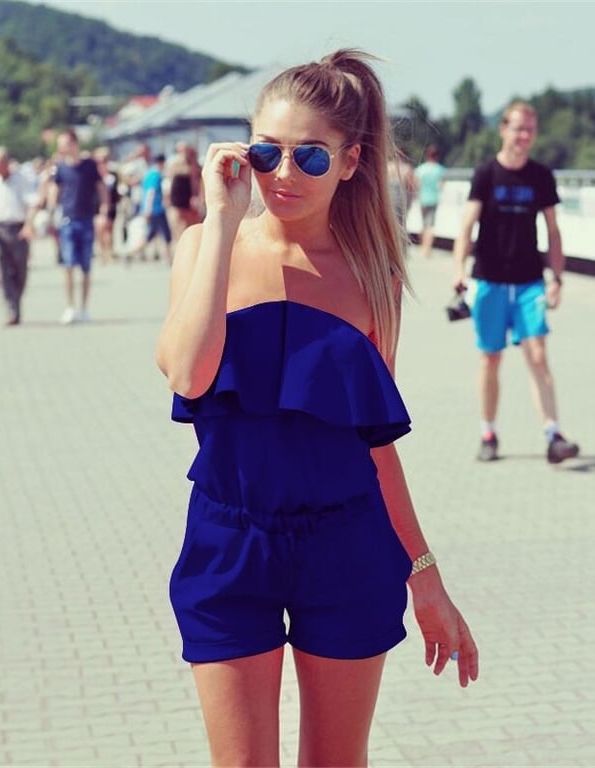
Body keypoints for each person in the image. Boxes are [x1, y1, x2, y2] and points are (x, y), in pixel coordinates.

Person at [156, 49, 478, 767]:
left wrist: (425, 574)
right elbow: (188, 373)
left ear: (350, 161)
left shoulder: (373, 276)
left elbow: (375, 443)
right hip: (229, 539)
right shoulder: (203, 247)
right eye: (266, 151)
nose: (283, 173)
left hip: (346, 542)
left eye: (309, 156)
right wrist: (222, 223)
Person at [452, 101, 580, 465]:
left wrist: (557, 278)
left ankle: (554, 435)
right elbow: (467, 225)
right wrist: (459, 270)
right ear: (503, 129)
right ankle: (488, 433)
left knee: (537, 354)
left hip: (529, 282)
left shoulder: (540, 176)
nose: (524, 136)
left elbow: (553, 231)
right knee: (490, 358)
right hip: (489, 279)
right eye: (518, 128)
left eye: (530, 130)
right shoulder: (486, 174)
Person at [46, 128, 109, 324]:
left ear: (74, 144)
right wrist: (51, 211)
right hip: (67, 220)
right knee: (68, 264)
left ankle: (84, 308)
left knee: (86, 266)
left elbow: (101, 188)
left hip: (87, 220)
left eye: (64, 144)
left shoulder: (90, 165)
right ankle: (70, 307)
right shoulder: (60, 167)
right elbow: (54, 189)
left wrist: (103, 211)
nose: (61, 147)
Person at [0, 146, 38, 325]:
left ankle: (16, 299)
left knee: (20, 268)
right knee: (4, 268)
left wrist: (28, 225)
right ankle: (11, 306)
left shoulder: (21, 181)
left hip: (18, 229)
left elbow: (32, 204)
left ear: (6, 162)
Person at [129, 153, 172, 263]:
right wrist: (147, 210)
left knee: (152, 234)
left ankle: (132, 253)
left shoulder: (148, 174)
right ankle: (168, 257)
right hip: (156, 209)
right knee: (165, 233)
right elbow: (150, 193)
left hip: (153, 209)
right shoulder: (155, 175)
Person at [166, 141, 204, 245]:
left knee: (192, 226)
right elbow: (170, 182)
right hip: (177, 200)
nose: (182, 153)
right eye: (180, 151)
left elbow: (195, 182)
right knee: (178, 227)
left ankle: (190, 246)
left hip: (189, 200)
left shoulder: (194, 165)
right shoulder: (174, 164)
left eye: (184, 150)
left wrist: (196, 196)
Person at [414, 144, 445, 257]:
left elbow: (416, 184)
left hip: (422, 198)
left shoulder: (421, 169)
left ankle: (422, 247)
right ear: (437, 156)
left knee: (423, 224)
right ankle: (427, 249)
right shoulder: (440, 170)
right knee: (430, 225)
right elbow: (441, 186)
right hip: (433, 199)